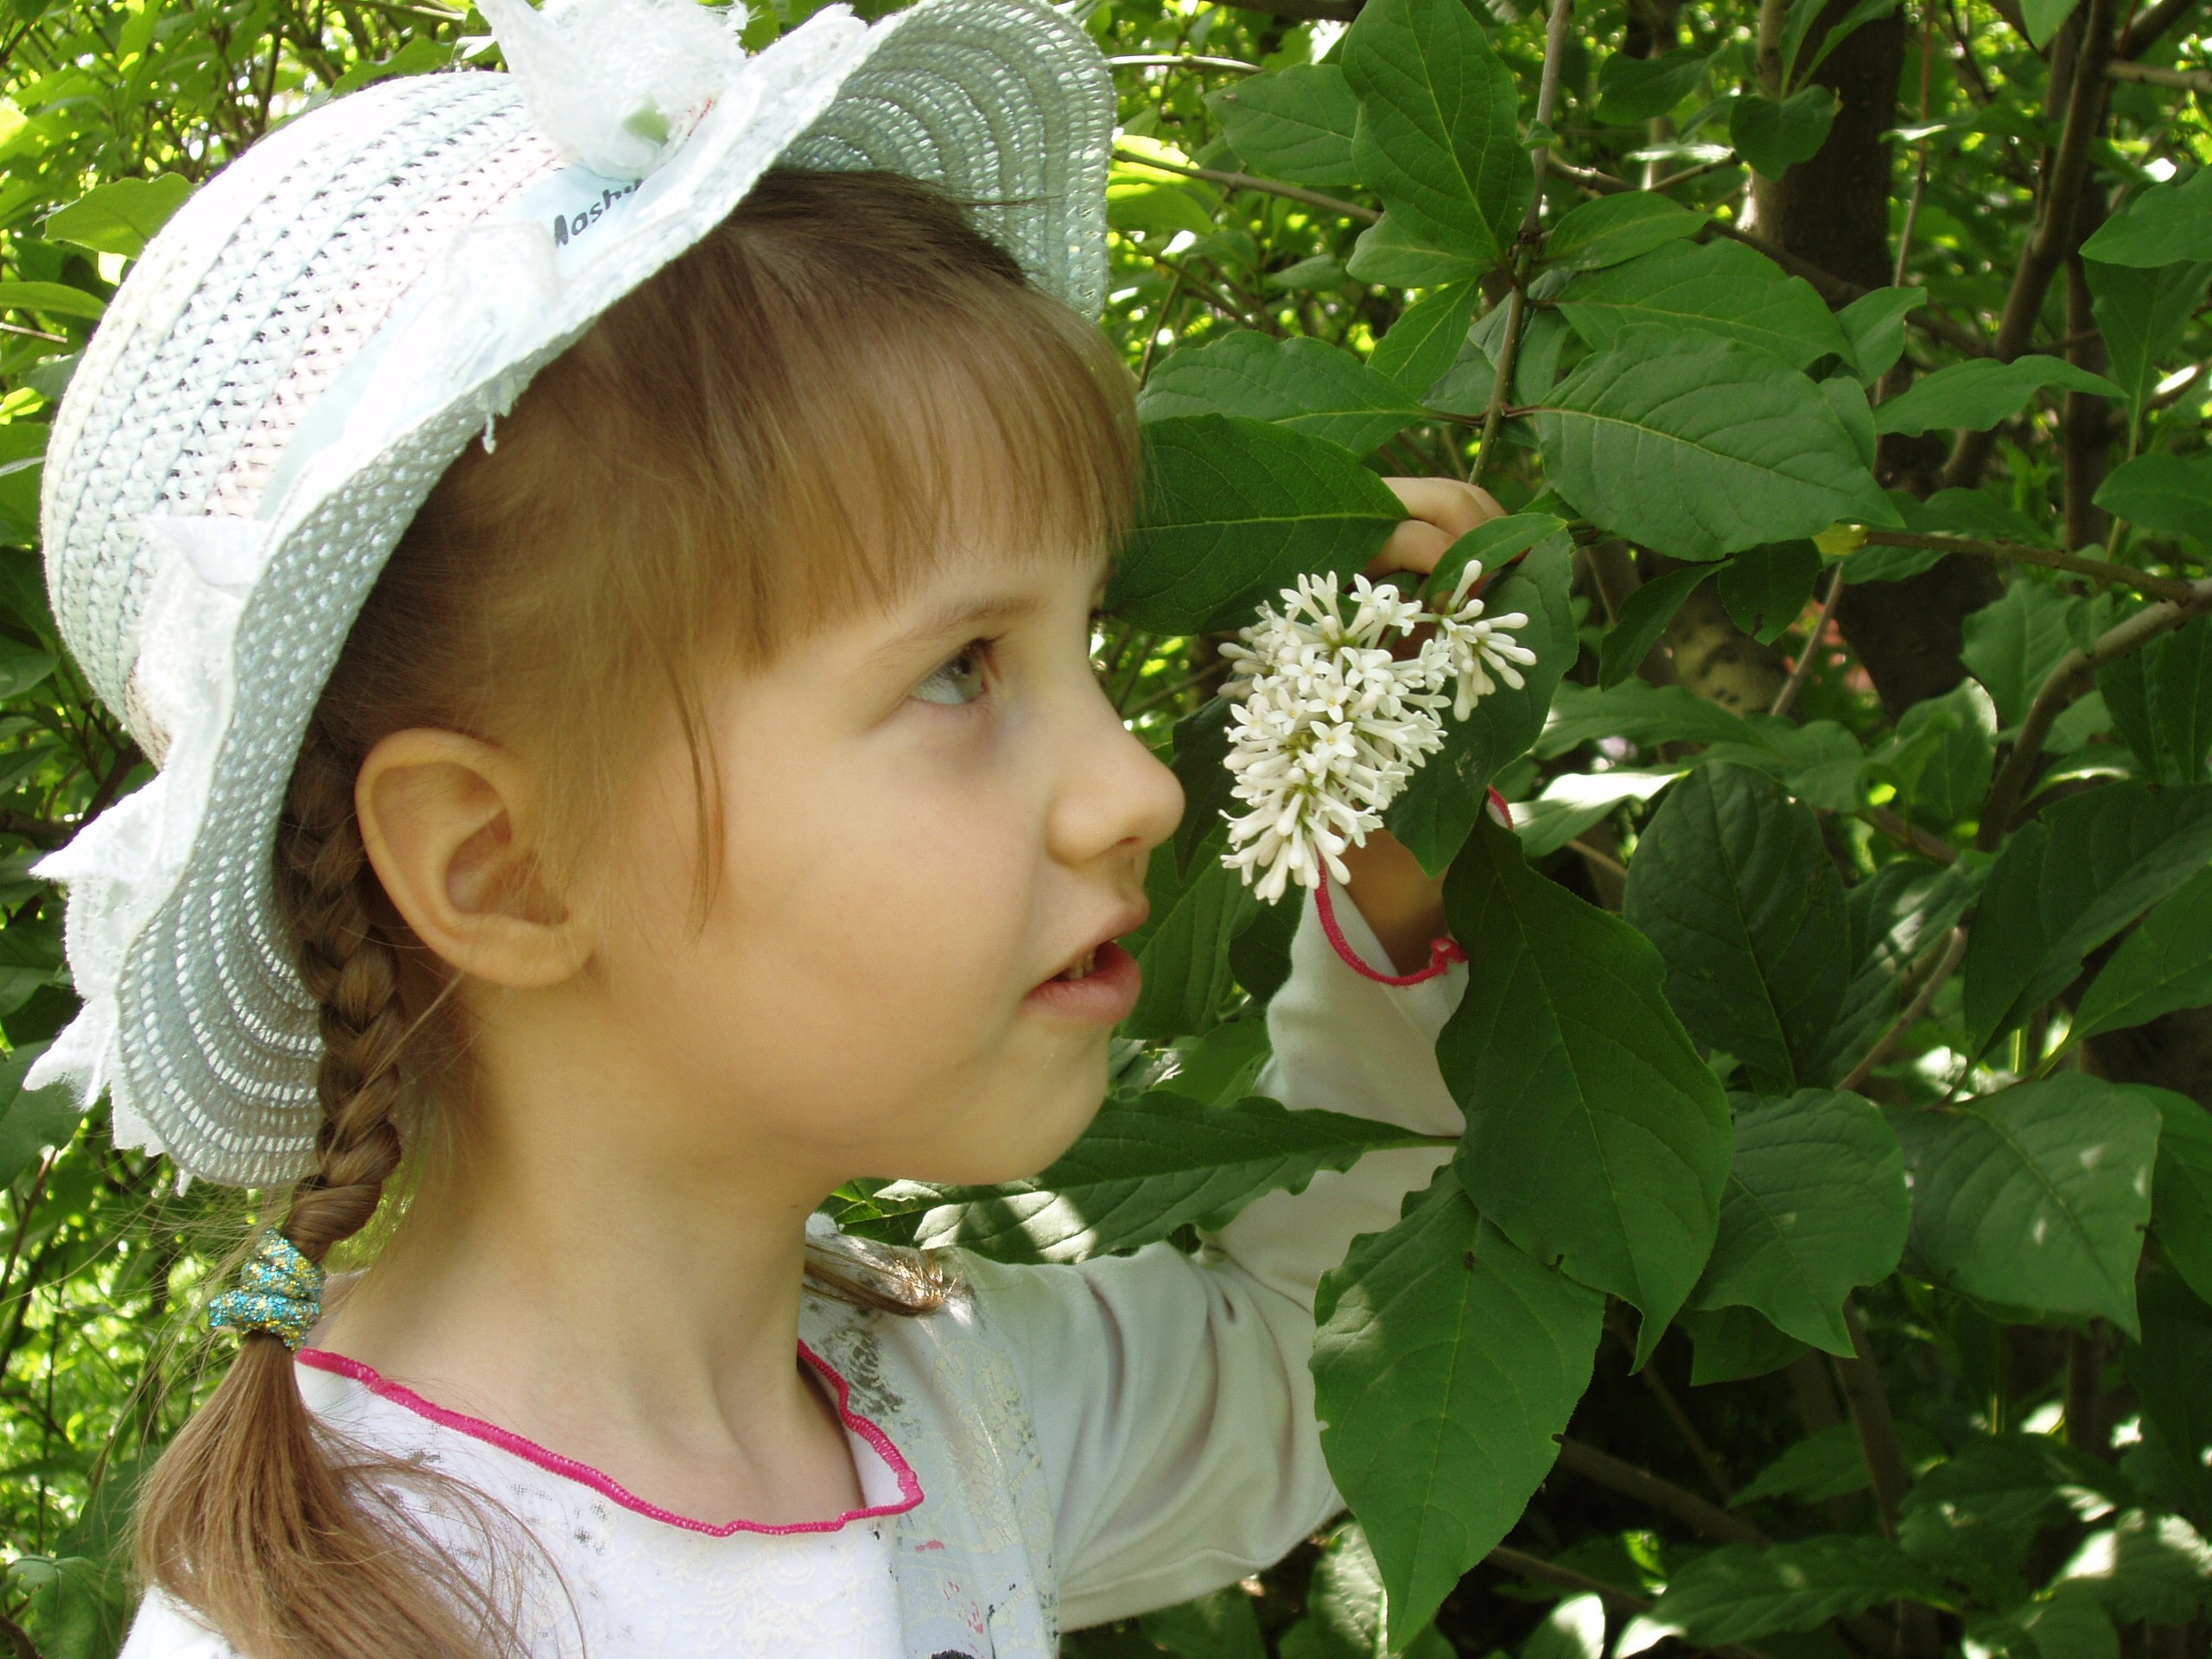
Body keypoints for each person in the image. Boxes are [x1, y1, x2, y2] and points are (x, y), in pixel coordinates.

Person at [33, 0, 1503, 1652]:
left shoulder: (947, 1397)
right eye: (959, 671)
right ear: (500, 863)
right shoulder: (347, 1617)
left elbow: (1315, 1353)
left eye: (1081, 642)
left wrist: (1376, 915)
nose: (1141, 788)